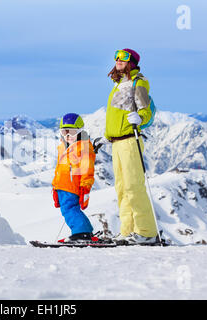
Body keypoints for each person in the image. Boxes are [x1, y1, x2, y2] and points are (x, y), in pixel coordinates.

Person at [104, 48, 158, 245]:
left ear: (132, 62)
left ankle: (146, 232)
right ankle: (127, 231)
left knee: (134, 187)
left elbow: (145, 111)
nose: (118, 60)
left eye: (123, 57)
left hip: (129, 140)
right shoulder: (119, 84)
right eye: (116, 56)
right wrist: (107, 136)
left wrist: (140, 119)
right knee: (122, 189)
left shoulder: (138, 82)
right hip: (116, 143)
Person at [52, 113, 96, 242]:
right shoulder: (63, 147)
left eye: (72, 132)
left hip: (73, 186)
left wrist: (85, 186)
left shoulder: (83, 147)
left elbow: (87, 169)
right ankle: (85, 230)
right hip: (63, 186)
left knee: (69, 209)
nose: (68, 136)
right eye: (64, 132)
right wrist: (55, 187)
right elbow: (59, 169)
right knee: (70, 209)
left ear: (80, 131)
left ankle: (81, 232)